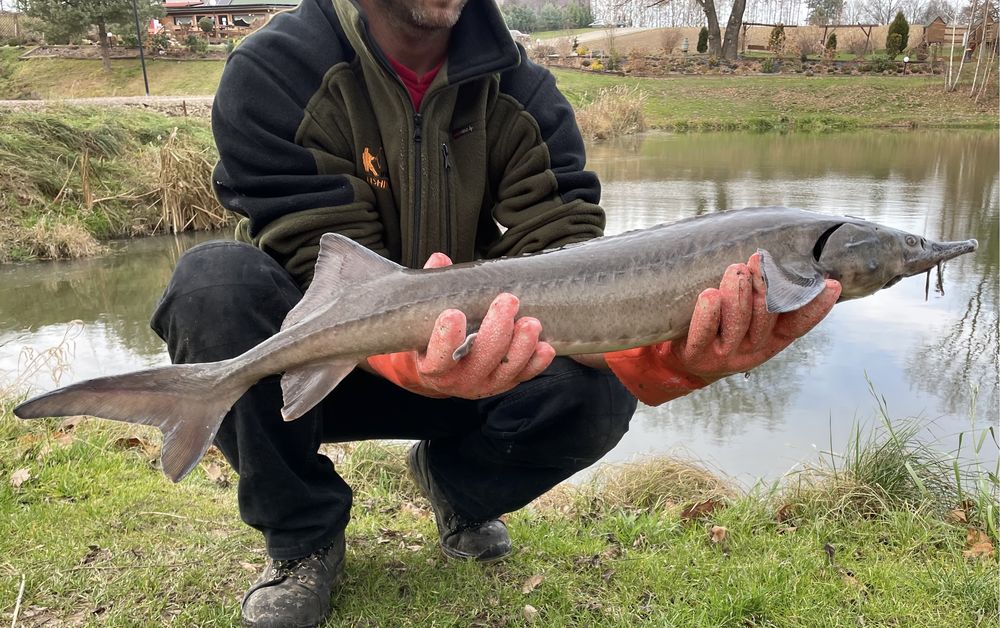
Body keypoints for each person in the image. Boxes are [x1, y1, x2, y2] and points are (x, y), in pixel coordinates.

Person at [150, 1, 841, 626]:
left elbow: (578, 268)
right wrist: (407, 356)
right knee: (212, 287)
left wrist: (674, 357)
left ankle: (458, 489)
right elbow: (312, 256)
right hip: (318, 362)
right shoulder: (275, 68)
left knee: (600, 390)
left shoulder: (525, 91)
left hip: (487, 357)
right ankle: (302, 536)